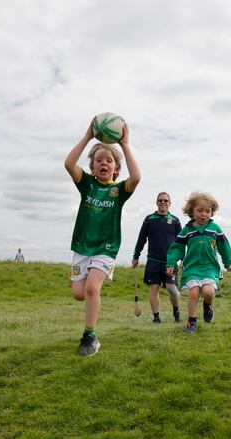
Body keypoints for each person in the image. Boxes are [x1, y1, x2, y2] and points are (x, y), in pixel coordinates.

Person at [64, 118, 141, 356]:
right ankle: (91, 319)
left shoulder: (118, 191)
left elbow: (136, 177)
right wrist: (88, 136)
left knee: (91, 288)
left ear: (116, 169)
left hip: (106, 248)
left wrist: (125, 145)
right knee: (79, 293)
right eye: (99, 161)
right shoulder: (86, 185)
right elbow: (68, 164)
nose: (104, 163)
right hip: (82, 247)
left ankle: (89, 336)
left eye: (109, 161)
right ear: (93, 167)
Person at [166, 192, 231, 334]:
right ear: (192, 211)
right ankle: (192, 323)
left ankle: (207, 305)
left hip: (210, 267)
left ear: (212, 212)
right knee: (194, 293)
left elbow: (224, 246)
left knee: (208, 292)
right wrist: (171, 262)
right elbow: (177, 247)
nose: (204, 214)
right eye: (200, 210)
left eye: (207, 211)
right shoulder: (187, 230)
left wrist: (228, 262)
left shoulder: (215, 229)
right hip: (192, 268)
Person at [132, 192, 182, 323]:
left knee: (172, 289)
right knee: (154, 288)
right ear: (157, 203)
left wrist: (183, 258)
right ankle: (156, 317)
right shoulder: (149, 219)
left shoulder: (175, 221)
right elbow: (141, 239)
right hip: (153, 261)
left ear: (170, 203)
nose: (163, 203)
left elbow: (181, 242)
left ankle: (176, 312)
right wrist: (136, 256)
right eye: (160, 200)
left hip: (170, 262)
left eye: (166, 201)